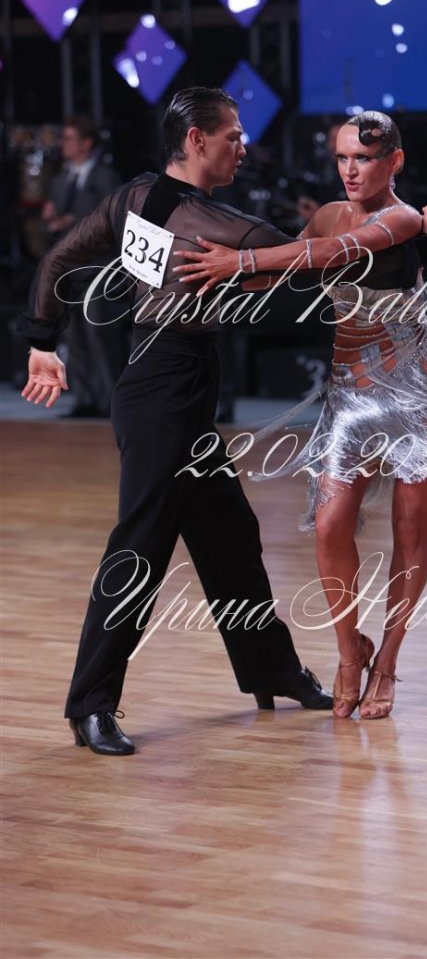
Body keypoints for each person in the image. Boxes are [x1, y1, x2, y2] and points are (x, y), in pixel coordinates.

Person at [18, 87, 336, 757]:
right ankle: (89, 704)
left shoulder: (134, 198)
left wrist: (43, 338)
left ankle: (271, 670)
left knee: (229, 535)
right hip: (163, 390)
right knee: (140, 546)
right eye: (233, 136)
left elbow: (56, 260)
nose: (243, 147)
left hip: (169, 385)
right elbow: (309, 263)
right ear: (196, 140)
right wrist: (373, 224)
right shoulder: (212, 220)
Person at [173, 111, 427, 721]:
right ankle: (350, 652)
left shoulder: (401, 218)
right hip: (351, 395)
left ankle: (387, 661)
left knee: (410, 530)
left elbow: (332, 252)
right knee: (328, 527)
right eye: (342, 157)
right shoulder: (325, 213)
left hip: (416, 391)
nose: (350, 169)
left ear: (394, 161)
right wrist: (208, 266)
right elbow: (288, 267)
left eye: (363, 158)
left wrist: (241, 263)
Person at [42, 115, 125, 418]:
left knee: (99, 333)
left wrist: (71, 221)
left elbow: (110, 219)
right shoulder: (60, 179)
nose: (63, 145)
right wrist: (51, 219)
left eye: (69, 139)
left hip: (98, 268)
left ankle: (110, 399)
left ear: (86, 143)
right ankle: (85, 397)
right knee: (74, 334)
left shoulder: (106, 178)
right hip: (70, 269)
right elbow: (53, 219)